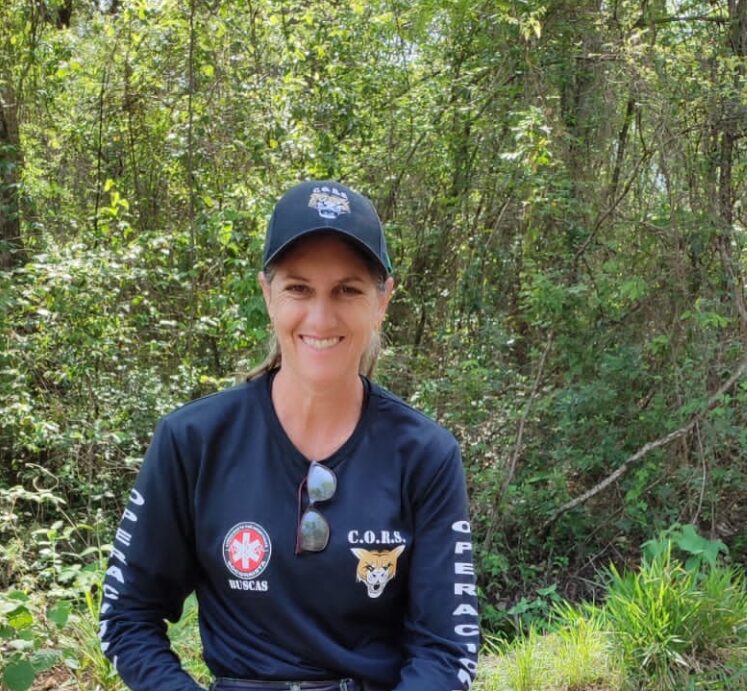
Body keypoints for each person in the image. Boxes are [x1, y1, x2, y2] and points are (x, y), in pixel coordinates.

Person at [98, 180, 479, 691]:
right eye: (299, 288)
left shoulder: (425, 455)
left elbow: (446, 649)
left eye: (348, 290)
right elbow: (127, 616)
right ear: (267, 294)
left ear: (383, 300)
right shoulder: (193, 441)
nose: (320, 317)